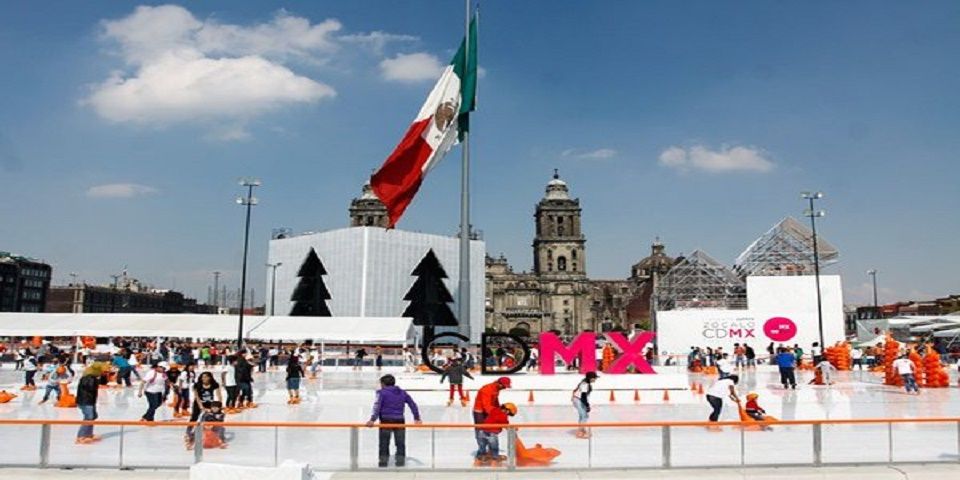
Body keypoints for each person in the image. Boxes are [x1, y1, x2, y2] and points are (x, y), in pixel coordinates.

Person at [365, 374, 422, 468]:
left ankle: (383, 462)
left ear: (383, 384)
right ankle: (400, 462)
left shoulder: (382, 393)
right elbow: (412, 404)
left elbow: (377, 406)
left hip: (386, 420)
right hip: (399, 420)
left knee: (384, 442)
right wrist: (417, 418)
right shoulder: (402, 392)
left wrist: (372, 419)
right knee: (400, 443)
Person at [473, 377, 511, 462]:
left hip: (489, 410)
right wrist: (497, 414)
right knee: (481, 432)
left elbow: (495, 401)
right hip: (480, 412)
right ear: (499, 383)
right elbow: (486, 405)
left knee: (491, 432)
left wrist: (499, 409)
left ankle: (493, 453)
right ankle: (481, 453)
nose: (505, 388)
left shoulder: (496, 389)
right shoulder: (487, 389)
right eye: (504, 386)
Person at [186, 371, 222, 448]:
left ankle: (215, 436)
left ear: (210, 377)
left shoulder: (214, 385)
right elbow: (197, 397)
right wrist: (202, 407)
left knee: (211, 419)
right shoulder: (197, 385)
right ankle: (189, 434)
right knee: (194, 418)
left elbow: (219, 395)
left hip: (210, 404)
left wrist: (219, 405)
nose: (204, 379)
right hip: (199, 404)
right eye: (203, 377)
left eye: (206, 377)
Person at [76, 363, 104, 444]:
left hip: (90, 400)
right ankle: (81, 436)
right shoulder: (89, 378)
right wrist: (97, 380)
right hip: (86, 401)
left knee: (93, 416)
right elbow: (90, 388)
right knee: (89, 417)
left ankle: (88, 434)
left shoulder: (91, 377)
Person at [572, 372, 598, 439]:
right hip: (578, 400)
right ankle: (580, 432)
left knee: (583, 416)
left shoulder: (585, 382)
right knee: (584, 416)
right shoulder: (585, 384)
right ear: (591, 378)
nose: (595, 379)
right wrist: (587, 406)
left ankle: (582, 430)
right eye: (595, 378)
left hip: (578, 399)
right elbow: (583, 397)